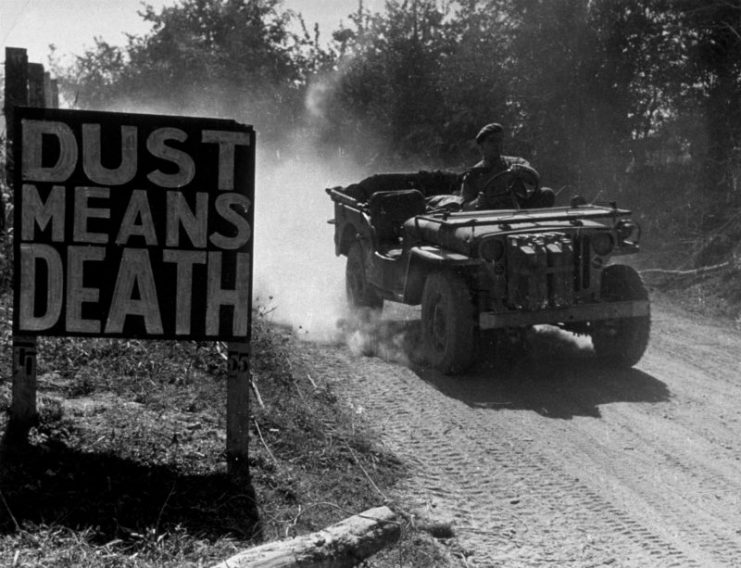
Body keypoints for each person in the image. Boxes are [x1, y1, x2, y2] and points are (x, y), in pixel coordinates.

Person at [459, 123, 555, 210]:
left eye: (500, 140)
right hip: (490, 219)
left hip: (519, 211)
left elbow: (535, 178)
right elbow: (464, 206)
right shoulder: (473, 174)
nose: (497, 144)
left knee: (547, 193)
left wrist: (522, 172)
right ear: (481, 147)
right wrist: (477, 202)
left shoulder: (516, 162)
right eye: (491, 141)